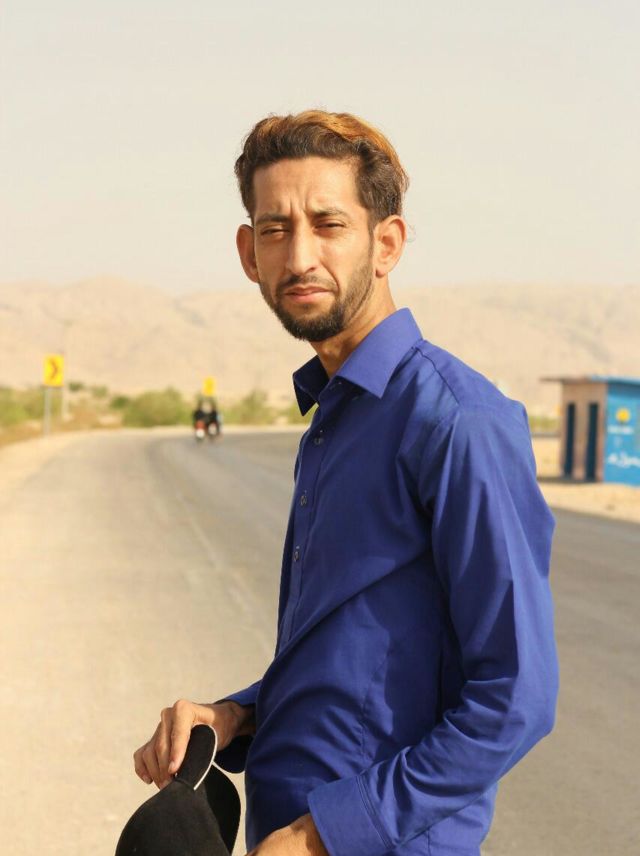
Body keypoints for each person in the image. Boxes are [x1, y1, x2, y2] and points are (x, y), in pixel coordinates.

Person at [133, 111, 558, 856]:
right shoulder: (335, 419)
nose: (300, 256)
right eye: (275, 229)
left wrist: (324, 835)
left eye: (328, 224)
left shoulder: (458, 422)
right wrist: (232, 718)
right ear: (249, 254)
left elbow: (516, 698)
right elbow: (349, 664)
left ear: (386, 244)